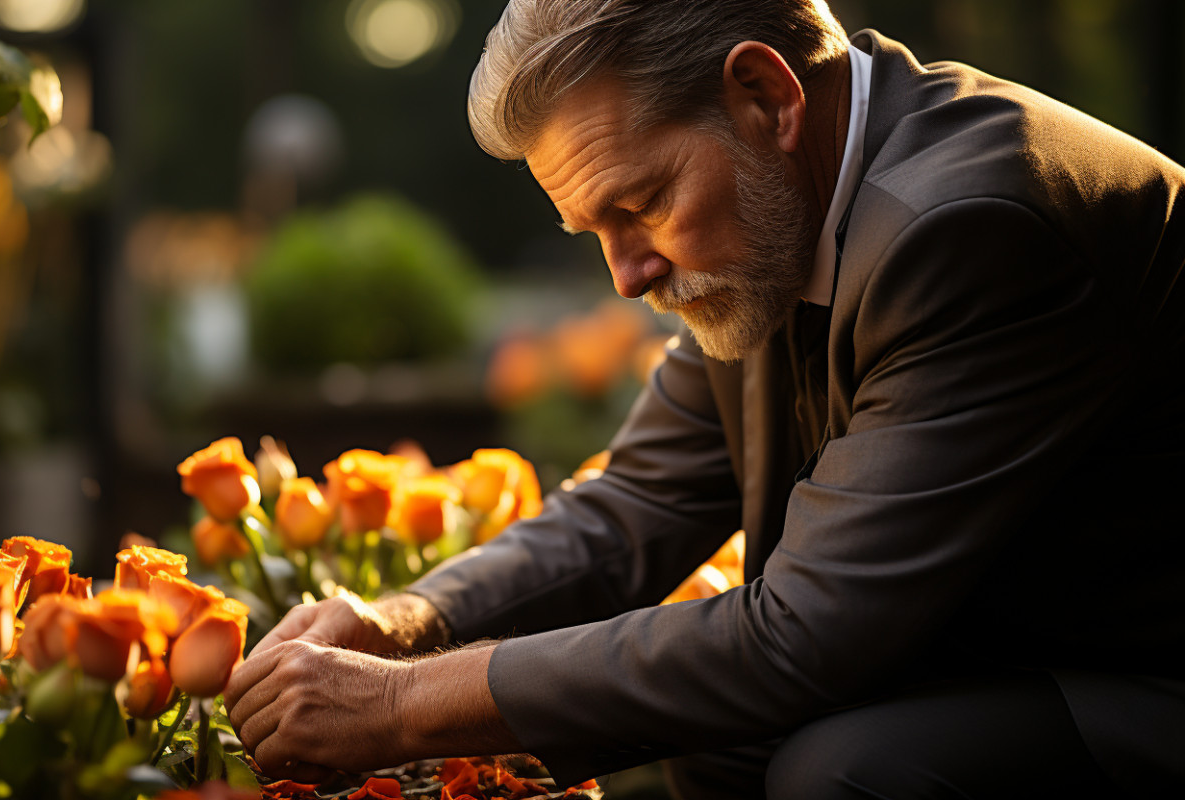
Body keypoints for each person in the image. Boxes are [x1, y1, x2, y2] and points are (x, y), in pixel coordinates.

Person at [225, 1, 1185, 797]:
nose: (627, 277)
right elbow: (634, 505)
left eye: (637, 206)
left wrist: (400, 705)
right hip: (1008, 644)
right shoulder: (774, 218)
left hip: (1143, 678)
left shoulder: (967, 224)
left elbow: (800, 640)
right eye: (588, 229)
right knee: (711, 737)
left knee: (846, 773)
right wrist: (405, 618)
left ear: (767, 95)